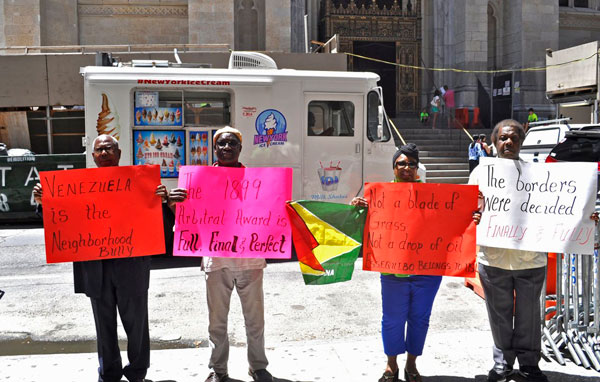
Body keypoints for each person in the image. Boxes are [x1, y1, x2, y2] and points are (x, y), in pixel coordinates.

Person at [469, 120, 598, 382]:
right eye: (503, 138)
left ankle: (529, 365)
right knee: (499, 315)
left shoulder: (540, 176)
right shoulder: (480, 175)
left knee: (529, 317)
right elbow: (465, 212)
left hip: (530, 260)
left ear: (522, 142)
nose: (509, 143)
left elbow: (565, 207)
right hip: (493, 259)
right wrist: (473, 216)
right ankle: (502, 364)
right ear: (494, 142)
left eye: (514, 138)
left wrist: (586, 217)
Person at [33, 134, 166, 382]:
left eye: (108, 148)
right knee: (103, 328)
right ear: (93, 156)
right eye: (99, 150)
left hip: (132, 267)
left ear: (119, 153)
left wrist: (162, 199)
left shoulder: (139, 182)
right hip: (96, 270)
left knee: (137, 326)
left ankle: (137, 373)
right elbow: (61, 220)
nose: (104, 153)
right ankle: (109, 374)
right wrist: (44, 202)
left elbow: (158, 222)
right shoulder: (79, 185)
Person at [169, 126, 273, 382]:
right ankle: (218, 370)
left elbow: (268, 215)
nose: (227, 148)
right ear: (214, 149)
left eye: (232, 144)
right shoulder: (199, 182)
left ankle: (258, 367)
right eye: (222, 144)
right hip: (216, 261)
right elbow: (188, 221)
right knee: (217, 321)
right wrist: (175, 206)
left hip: (250, 260)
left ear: (240, 148)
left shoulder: (257, 180)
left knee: (255, 320)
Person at [352, 143, 455, 382]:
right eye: (402, 164)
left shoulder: (434, 196)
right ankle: (391, 365)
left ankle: (411, 364)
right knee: (392, 318)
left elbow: (451, 221)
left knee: (420, 318)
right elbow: (366, 228)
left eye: (412, 164)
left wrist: (471, 214)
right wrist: (359, 210)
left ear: (418, 169)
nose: (407, 168)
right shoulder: (379, 195)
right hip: (392, 270)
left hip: (427, 272)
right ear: (394, 167)